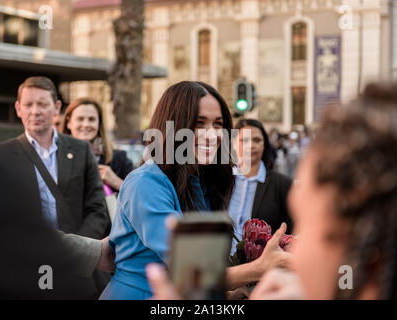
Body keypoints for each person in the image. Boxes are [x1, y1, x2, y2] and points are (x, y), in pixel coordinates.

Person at [146, 81, 397, 300]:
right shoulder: (172, 182)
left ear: (369, 258)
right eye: (199, 123)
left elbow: (194, 276)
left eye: (306, 224)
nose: (295, 246)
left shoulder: (276, 183)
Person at [100, 81, 290, 300]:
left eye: (218, 124)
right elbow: (193, 269)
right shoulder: (145, 183)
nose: (212, 135)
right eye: (199, 124)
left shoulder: (198, 182)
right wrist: (260, 267)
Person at [0, 76, 111, 298]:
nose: (35, 111)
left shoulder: (80, 150)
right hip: (27, 264)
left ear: (57, 107)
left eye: (42, 104)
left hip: (80, 266)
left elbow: (97, 209)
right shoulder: (2, 156)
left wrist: (78, 252)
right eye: (28, 105)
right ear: (18, 108)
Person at [229, 119, 293, 254]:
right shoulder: (222, 181)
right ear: (233, 143)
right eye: (244, 140)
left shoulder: (281, 184)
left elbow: (292, 231)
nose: (251, 145)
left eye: (257, 140)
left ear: (264, 145)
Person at [60, 98, 133, 192]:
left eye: (91, 119)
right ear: (69, 123)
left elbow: (138, 198)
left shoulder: (119, 159)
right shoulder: (56, 157)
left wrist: (117, 182)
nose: (86, 124)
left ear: (99, 124)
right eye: (80, 119)